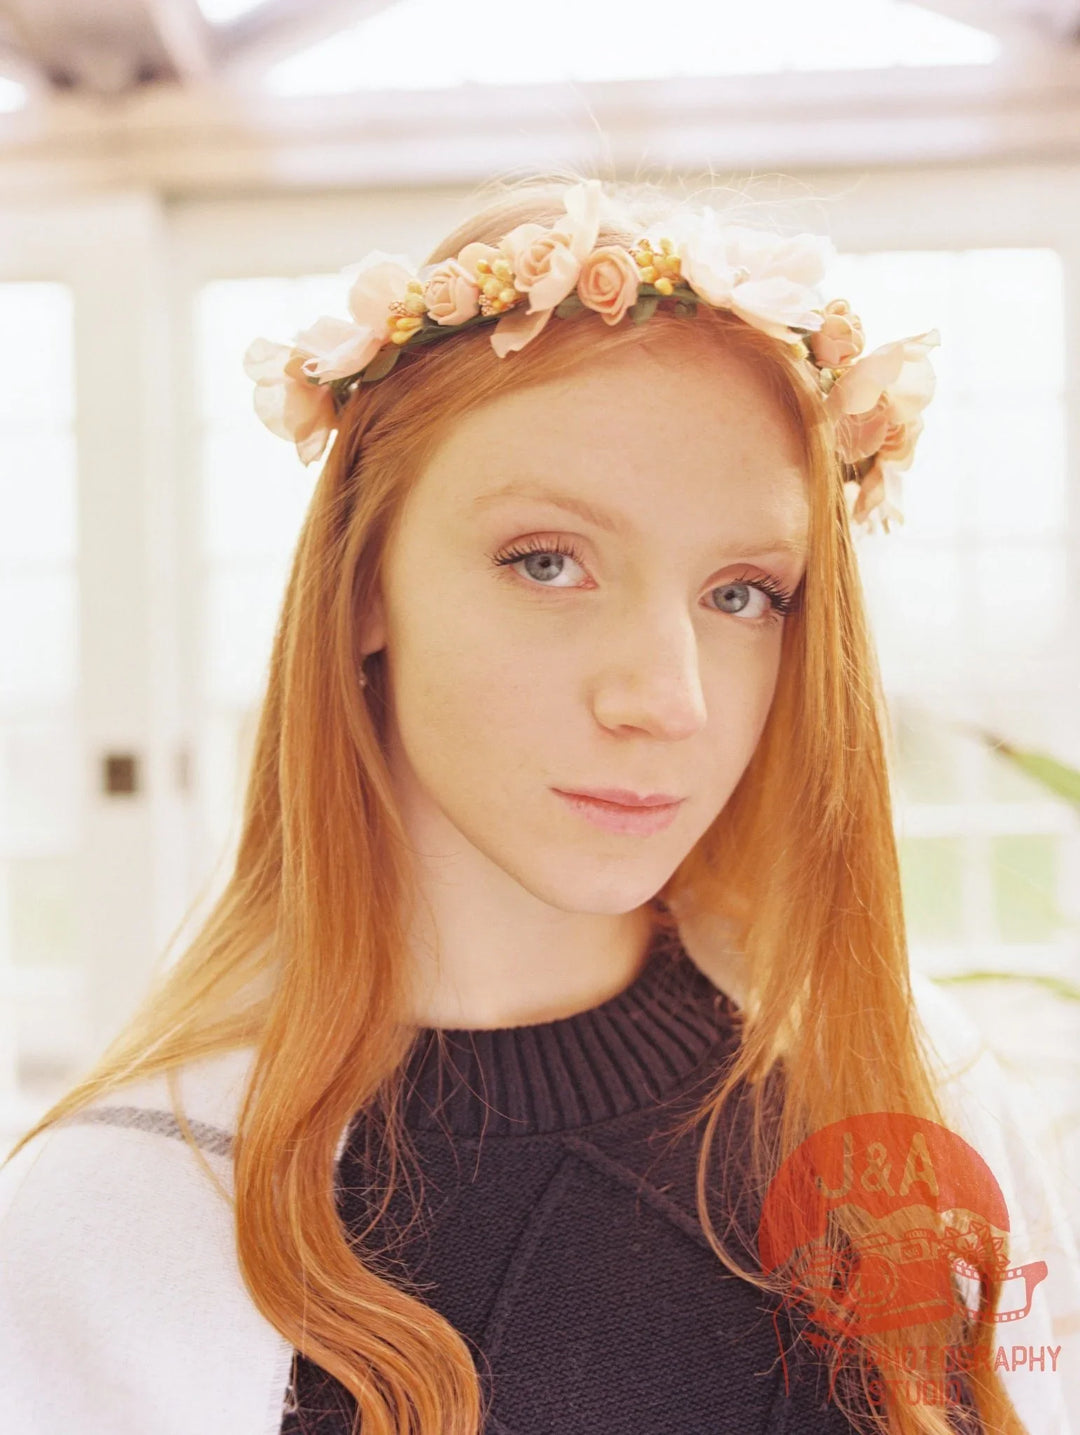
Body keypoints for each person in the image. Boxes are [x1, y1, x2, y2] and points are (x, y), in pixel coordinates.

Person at [1, 171, 1076, 1435]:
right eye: (548, 561)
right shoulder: (122, 1224)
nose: (667, 698)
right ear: (364, 588)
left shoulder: (910, 1081)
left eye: (743, 593)